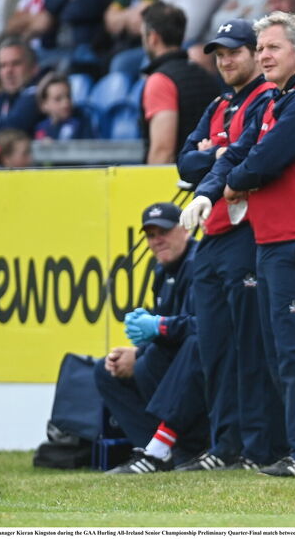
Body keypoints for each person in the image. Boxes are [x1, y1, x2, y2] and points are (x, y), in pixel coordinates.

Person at [215, 11, 295, 478]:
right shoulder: (278, 101)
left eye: (274, 48)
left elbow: (261, 161)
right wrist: (232, 174)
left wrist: (234, 181)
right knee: (280, 352)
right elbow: (241, 153)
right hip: (274, 240)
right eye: (261, 48)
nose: (264, 55)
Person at [175, 18, 284, 471]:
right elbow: (185, 164)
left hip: (246, 232)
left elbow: (246, 155)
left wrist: (215, 154)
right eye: (219, 54)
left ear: (253, 53)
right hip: (212, 234)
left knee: (249, 344)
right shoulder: (219, 103)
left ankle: (257, 447)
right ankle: (224, 446)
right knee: (215, 345)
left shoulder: (265, 99)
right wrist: (213, 155)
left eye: (233, 52)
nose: (225, 61)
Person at [94, 202, 209, 472]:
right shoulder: (161, 270)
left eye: (164, 232)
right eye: (150, 235)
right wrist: (138, 349)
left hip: (206, 369)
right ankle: (155, 451)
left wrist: (150, 340)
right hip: (179, 361)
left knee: (151, 359)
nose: (157, 241)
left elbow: (201, 331)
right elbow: (166, 329)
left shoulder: (197, 264)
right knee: (106, 369)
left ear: (185, 230)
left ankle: (167, 449)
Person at [139, 2, 220, 164]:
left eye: (143, 36)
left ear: (153, 38)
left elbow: (163, 152)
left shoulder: (160, 81)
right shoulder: (205, 74)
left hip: (175, 183)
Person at [34, 73, 94, 140]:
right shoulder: (41, 128)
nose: (66, 103)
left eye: (68, 96)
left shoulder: (83, 121)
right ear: (44, 104)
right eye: (58, 99)